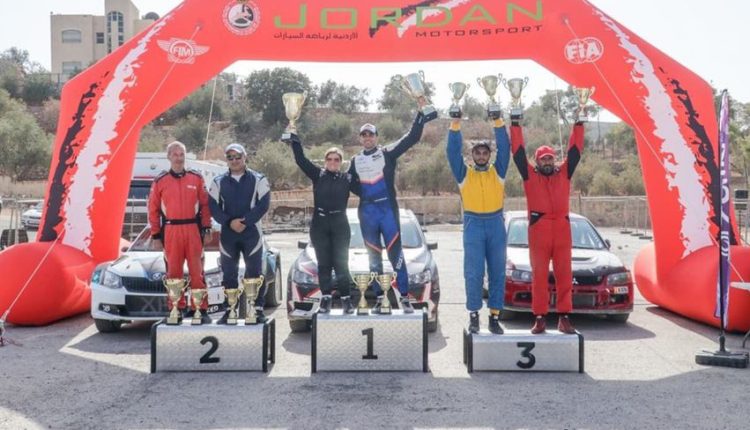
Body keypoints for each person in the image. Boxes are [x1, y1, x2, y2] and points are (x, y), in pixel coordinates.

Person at [348, 101, 434, 313]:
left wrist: (420, 115)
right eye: (364, 135)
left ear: (376, 137)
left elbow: (411, 138)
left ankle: (404, 297)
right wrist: (364, 195)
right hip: (367, 212)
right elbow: (348, 184)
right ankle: (380, 298)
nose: (367, 138)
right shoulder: (354, 161)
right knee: (373, 258)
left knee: (396, 255)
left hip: (387, 210)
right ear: (360, 139)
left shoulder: (387, 153)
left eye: (371, 135)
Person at [510, 112, 585, 335]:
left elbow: (575, 151)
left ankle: (564, 317)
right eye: (543, 159)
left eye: (550, 158)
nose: (548, 162)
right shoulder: (529, 176)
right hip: (539, 229)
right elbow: (518, 152)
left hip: (562, 228)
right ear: (537, 161)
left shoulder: (564, 173)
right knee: (539, 276)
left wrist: (578, 124)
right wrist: (515, 125)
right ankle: (540, 317)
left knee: (564, 274)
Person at [446, 108, 510, 334]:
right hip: (473, 225)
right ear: (472, 155)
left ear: (489, 155)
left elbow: (505, 148)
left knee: (497, 272)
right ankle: (474, 315)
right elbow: (452, 152)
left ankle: (494, 317)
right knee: (473, 273)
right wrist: (455, 124)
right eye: (478, 153)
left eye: (485, 153)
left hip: (495, 224)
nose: (481, 156)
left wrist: (498, 121)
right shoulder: (464, 174)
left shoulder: (498, 172)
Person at [289, 134, 356, 314]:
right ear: (325, 161)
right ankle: (326, 299)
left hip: (340, 224)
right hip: (320, 224)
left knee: (341, 263)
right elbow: (301, 160)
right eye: (329, 159)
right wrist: (295, 140)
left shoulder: (347, 179)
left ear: (341, 162)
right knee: (324, 264)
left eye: (336, 159)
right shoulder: (318, 175)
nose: (333, 162)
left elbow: (366, 190)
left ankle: (346, 299)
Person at [148, 141, 212, 324]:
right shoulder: (160, 181)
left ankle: (200, 309)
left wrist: (207, 228)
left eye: (181, 154)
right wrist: (155, 235)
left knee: (197, 272)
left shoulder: (196, 178)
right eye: (175, 154)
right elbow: (153, 209)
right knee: (173, 272)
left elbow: (205, 205)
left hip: (193, 230)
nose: (179, 158)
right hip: (171, 230)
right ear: (168, 157)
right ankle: (176, 308)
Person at [208, 143, 271, 324]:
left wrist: (245, 221)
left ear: (245, 157)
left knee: (254, 272)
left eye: (238, 157)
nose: (234, 160)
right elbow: (213, 207)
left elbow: (263, 204)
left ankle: (256, 310)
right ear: (226, 160)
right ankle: (230, 310)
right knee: (228, 273)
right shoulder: (217, 181)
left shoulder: (259, 179)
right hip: (228, 234)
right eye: (230, 157)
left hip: (251, 233)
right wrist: (229, 222)